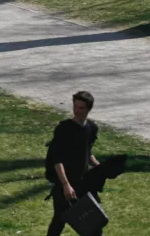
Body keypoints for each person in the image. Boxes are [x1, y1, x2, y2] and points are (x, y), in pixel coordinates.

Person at [46, 91, 100, 236]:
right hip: (65, 184)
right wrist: (65, 185)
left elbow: (87, 152)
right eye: (75, 106)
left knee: (94, 220)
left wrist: (99, 167)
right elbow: (57, 159)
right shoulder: (64, 129)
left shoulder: (91, 128)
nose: (76, 110)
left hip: (84, 183)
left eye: (81, 108)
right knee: (59, 220)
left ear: (89, 109)